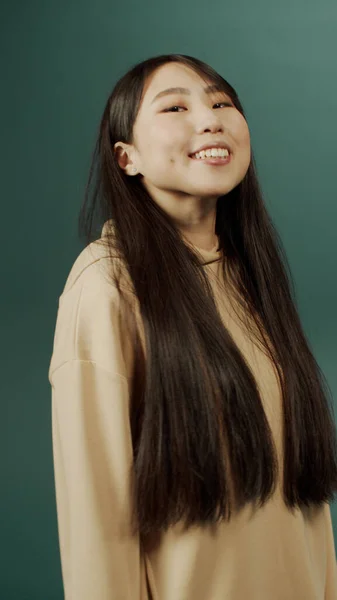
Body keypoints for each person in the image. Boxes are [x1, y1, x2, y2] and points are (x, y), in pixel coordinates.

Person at [48, 53, 337, 599]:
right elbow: (96, 523)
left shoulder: (254, 276)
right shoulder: (106, 288)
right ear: (126, 157)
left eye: (222, 102)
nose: (210, 119)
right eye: (175, 106)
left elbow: (304, 509)